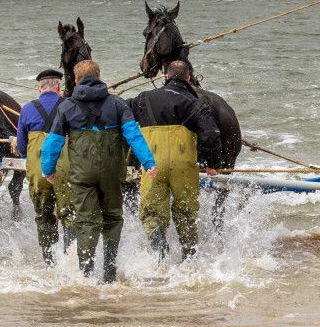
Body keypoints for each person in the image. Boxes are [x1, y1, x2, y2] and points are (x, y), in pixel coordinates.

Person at [41, 60, 157, 282]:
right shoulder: (118, 104)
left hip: (81, 175)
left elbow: (52, 142)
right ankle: (110, 273)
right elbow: (133, 135)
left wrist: (48, 169)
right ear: (99, 75)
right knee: (112, 218)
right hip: (112, 173)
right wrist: (149, 163)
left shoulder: (65, 106)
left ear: (76, 80)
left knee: (85, 220)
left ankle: (86, 274)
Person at [129, 60, 220, 261]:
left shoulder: (144, 98)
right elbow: (211, 134)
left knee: (152, 213)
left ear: (167, 77)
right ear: (188, 79)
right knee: (186, 213)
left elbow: (123, 115)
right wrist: (211, 163)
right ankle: (189, 260)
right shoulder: (196, 103)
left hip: (152, 163)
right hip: (184, 165)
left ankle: (161, 255)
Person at [16, 68, 71, 262]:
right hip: (67, 171)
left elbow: (22, 146)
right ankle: (70, 260)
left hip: (38, 171)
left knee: (43, 215)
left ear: (39, 89)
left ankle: (49, 261)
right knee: (69, 214)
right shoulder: (70, 105)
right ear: (59, 88)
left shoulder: (27, 109)